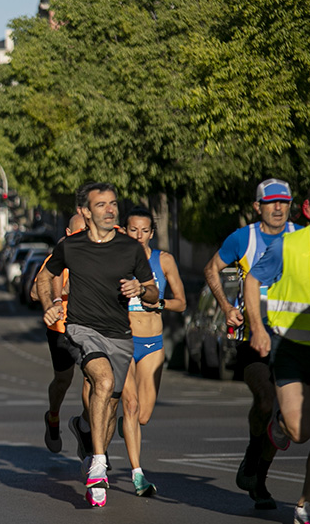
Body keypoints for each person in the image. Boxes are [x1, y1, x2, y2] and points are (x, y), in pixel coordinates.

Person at [35, 182, 158, 508]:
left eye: (113, 203)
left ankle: (87, 433)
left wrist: (140, 289)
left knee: (112, 401)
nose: (110, 209)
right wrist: (49, 303)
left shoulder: (129, 248)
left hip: (119, 333)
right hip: (81, 329)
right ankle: (99, 463)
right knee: (101, 380)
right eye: (101, 204)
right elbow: (45, 277)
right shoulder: (70, 247)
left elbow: (153, 292)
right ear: (86, 212)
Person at [203, 178, 298, 510]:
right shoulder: (243, 238)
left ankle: (259, 474)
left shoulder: (301, 238)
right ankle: (253, 454)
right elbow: (211, 269)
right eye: (271, 202)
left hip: (293, 336)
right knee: (265, 400)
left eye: (284, 202)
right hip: (252, 335)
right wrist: (227, 308)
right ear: (258, 207)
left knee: (283, 413)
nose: (278, 207)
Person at [246, 178, 310, 524]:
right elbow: (253, 280)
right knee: (301, 432)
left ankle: (304, 506)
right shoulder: (288, 246)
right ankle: (281, 422)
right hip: (290, 347)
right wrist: (256, 328)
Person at [118, 206, 186, 497]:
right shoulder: (115, 260)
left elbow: (181, 302)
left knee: (142, 415)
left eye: (145, 231)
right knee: (131, 404)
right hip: (122, 341)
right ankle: (138, 474)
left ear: (151, 233)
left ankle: (127, 425)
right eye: (133, 230)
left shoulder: (164, 260)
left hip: (152, 343)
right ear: (124, 230)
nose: (139, 236)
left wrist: (159, 304)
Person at [29, 214, 87, 457]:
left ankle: (87, 431)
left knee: (97, 382)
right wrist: (62, 292)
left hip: (89, 328)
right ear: (67, 232)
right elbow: (34, 292)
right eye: (77, 233)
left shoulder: (99, 253)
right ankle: (53, 416)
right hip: (61, 329)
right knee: (63, 381)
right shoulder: (58, 257)